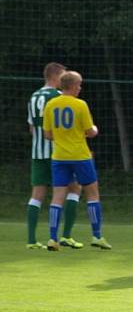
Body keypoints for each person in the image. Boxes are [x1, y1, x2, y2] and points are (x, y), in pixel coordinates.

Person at [42, 71, 111, 251]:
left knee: (57, 197)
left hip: (59, 157)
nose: (80, 88)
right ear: (72, 86)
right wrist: (94, 129)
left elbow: (47, 134)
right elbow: (90, 131)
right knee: (92, 194)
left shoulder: (51, 105)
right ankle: (96, 235)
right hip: (80, 156)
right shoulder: (80, 105)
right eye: (79, 85)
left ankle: (52, 238)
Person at [26, 62, 82, 249]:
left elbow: (32, 128)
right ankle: (65, 235)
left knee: (37, 195)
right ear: (55, 77)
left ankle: (32, 240)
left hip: (37, 152)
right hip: (60, 153)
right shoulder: (58, 97)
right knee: (73, 189)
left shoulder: (33, 96)